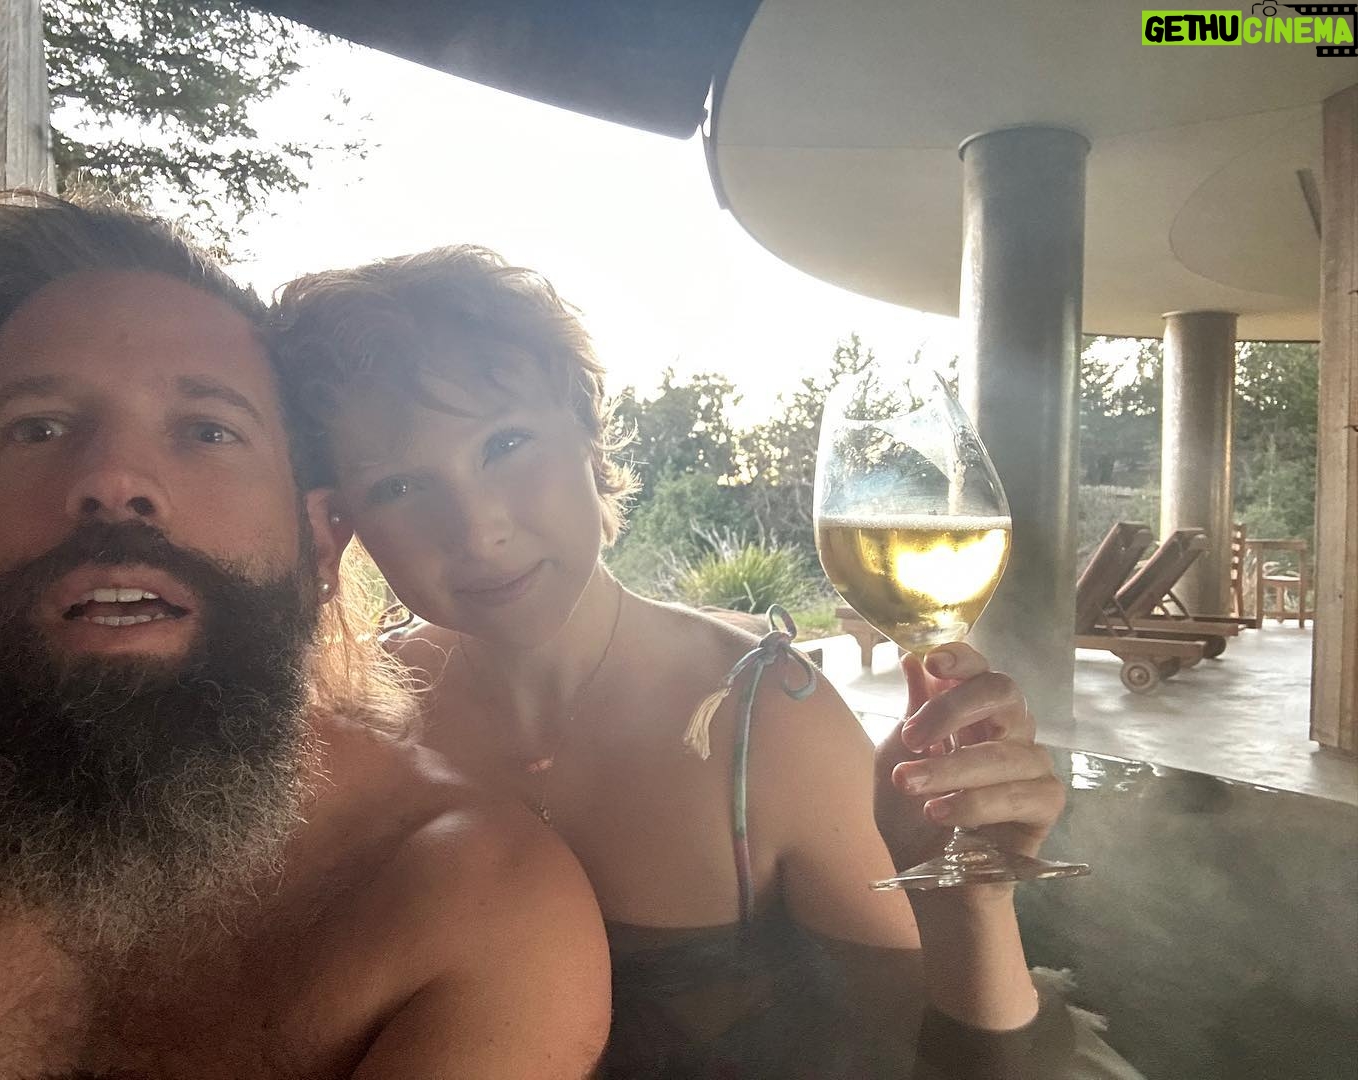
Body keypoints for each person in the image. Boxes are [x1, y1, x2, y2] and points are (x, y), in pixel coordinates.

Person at [272, 245, 1099, 1078]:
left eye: (506, 443)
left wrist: (968, 905)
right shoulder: (347, 727)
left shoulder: (768, 725)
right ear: (341, 521)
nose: (477, 530)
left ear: (588, 435)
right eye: (400, 487)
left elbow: (931, 1055)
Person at [0, 197, 610, 1079]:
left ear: (318, 542)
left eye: (208, 430)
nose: (113, 481)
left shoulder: (465, 896)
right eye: (40, 428)